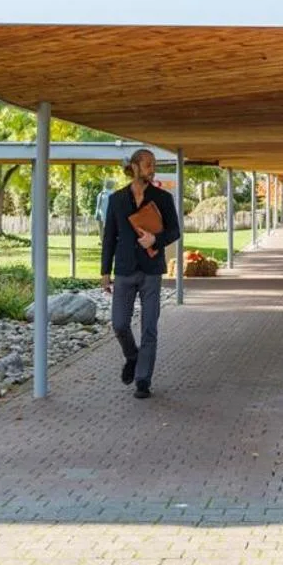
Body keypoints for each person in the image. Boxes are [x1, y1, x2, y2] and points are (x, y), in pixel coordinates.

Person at [101, 148, 182, 398]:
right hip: (124, 270)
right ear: (135, 167)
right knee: (119, 324)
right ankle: (132, 356)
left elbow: (174, 232)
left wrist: (155, 241)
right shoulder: (115, 200)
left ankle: (143, 380)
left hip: (151, 271)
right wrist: (105, 271)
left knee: (149, 327)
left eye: (153, 164)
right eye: (148, 164)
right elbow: (109, 238)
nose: (152, 168)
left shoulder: (163, 198)